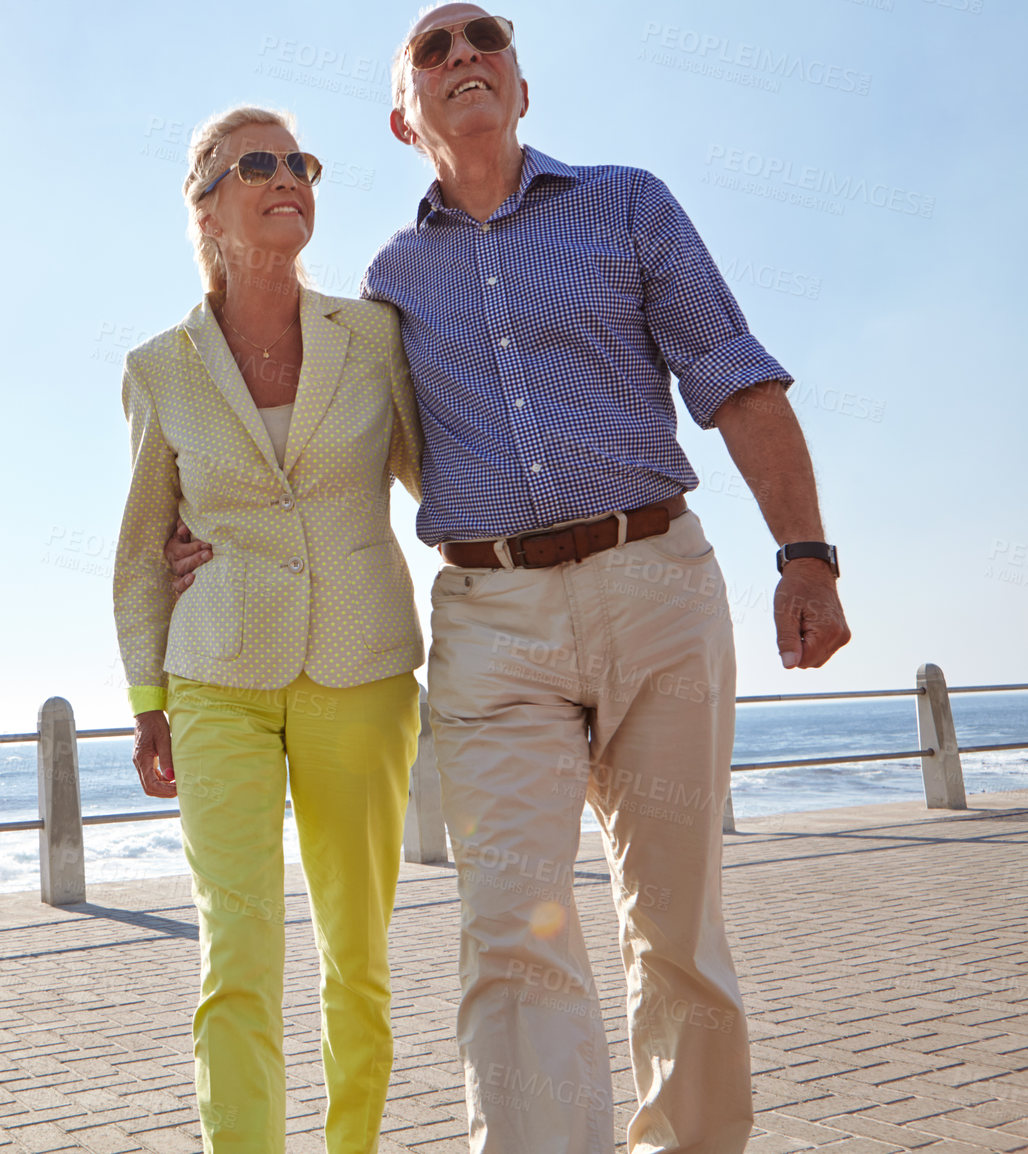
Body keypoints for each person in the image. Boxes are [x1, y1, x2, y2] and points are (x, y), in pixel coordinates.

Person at [163, 9, 853, 1153]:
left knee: (675, 930)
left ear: (520, 88)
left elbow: (733, 375)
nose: (461, 55)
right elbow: (319, 455)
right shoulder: (388, 282)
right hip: (491, 622)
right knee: (511, 934)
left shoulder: (627, 202)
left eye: (483, 37)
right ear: (403, 118)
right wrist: (212, 535)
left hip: (656, 586)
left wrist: (806, 552)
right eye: (431, 51)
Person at [112, 105, 427, 1153]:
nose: (288, 174)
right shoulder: (160, 365)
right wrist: (147, 698)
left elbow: (439, 477)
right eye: (259, 162)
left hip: (364, 670)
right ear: (205, 201)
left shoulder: (374, 334)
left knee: (357, 955)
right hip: (216, 678)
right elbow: (139, 544)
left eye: (300, 161)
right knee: (235, 953)